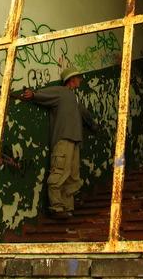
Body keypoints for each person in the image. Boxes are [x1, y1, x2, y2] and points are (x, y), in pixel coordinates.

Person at [22, 65, 100, 218]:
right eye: (78, 77)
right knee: (60, 172)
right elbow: (42, 95)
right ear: (71, 80)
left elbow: (83, 112)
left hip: (76, 140)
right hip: (63, 138)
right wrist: (33, 95)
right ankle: (57, 206)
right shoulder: (61, 92)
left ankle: (67, 207)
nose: (80, 80)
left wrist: (92, 124)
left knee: (72, 175)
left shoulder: (74, 98)